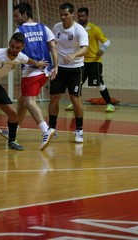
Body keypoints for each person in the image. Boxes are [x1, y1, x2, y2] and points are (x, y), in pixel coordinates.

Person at [0, 2, 58, 151]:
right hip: (45, 71)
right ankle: (13, 130)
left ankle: (46, 131)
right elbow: (53, 47)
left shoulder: (20, 31)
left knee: (29, 101)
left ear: (25, 14)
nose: (16, 18)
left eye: (17, 15)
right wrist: (56, 66)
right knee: (21, 102)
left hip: (32, 72)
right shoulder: (44, 28)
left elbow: (13, 51)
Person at [48, 2, 89, 143]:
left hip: (75, 69)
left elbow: (85, 49)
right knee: (54, 97)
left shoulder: (79, 30)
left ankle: (79, 130)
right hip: (59, 68)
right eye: (61, 14)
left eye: (66, 14)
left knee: (74, 98)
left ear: (72, 14)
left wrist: (73, 55)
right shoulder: (57, 27)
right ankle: (52, 129)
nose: (63, 17)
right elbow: (53, 45)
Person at [65, 7, 115, 112]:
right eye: (79, 16)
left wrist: (102, 49)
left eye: (83, 16)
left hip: (94, 62)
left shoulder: (94, 28)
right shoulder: (75, 28)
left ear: (87, 16)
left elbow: (107, 41)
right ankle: (74, 103)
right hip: (81, 62)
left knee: (99, 84)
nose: (81, 18)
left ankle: (110, 104)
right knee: (78, 83)